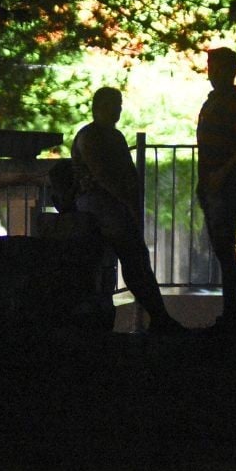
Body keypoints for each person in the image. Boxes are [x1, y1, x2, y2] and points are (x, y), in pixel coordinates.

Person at [72, 87, 186, 334]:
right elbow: (104, 176)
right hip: (101, 206)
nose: (118, 110)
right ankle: (159, 316)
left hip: (110, 205)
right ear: (99, 108)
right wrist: (128, 202)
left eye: (119, 104)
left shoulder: (107, 136)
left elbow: (124, 176)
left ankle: (159, 316)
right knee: (135, 257)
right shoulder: (94, 137)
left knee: (136, 258)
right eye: (114, 105)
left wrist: (130, 202)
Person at [197, 47, 236, 333]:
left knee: (225, 250)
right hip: (213, 184)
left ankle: (230, 318)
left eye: (214, 66)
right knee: (223, 250)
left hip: (222, 186)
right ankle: (229, 316)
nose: (210, 71)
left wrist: (222, 173)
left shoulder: (232, 102)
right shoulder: (217, 101)